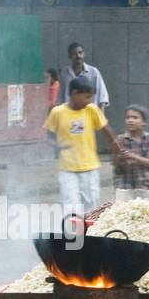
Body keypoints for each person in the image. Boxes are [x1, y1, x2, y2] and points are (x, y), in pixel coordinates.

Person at [45, 76, 121, 216]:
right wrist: (58, 146)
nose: (89, 101)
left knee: (91, 206)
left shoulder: (92, 110)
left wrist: (117, 148)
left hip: (90, 167)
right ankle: (72, 235)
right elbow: (48, 137)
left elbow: (107, 131)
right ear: (74, 93)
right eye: (86, 97)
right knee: (70, 206)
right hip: (67, 170)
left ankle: (89, 235)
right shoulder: (58, 112)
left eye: (91, 97)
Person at [113, 104, 149, 190]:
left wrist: (132, 156)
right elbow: (115, 163)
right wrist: (118, 155)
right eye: (128, 117)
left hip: (144, 183)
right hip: (124, 184)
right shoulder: (120, 139)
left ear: (144, 122)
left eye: (135, 117)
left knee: (142, 203)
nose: (130, 120)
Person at [64, 43, 109, 112]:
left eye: (80, 52)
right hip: (69, 115)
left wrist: (100, 118)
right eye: (74, 54)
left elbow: (102, 98)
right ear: (69, 56)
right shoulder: (63, 74)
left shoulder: (94, 72)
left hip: (90, 115)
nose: (78, 56)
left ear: (84, 54)